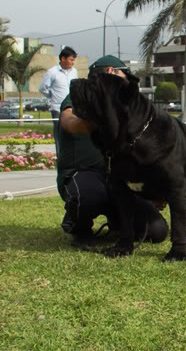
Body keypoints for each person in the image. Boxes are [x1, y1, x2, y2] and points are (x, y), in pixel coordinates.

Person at [58, 55, 168, 246]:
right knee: (90, 196)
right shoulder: (80, 95)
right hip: (84, 173)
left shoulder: (123, 104)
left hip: (118, 177)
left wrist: (151, 191)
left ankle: (118, 223)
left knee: (157, 230)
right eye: (125, 74)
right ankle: (78, 226)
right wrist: (101, 117)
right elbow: (69, 122)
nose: (127, 80)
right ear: (111, 72)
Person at [39, 46, 79, 156]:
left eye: (73, 60)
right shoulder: (52, 72)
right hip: (57, 109)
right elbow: (43, 88)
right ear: (63, 59)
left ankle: (71, 157)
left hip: (73, 108)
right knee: (60, 135)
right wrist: (52, 96)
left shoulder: (74, 72)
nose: (73, 62)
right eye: (71, 59)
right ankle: (61, 158)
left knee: (72, 134)